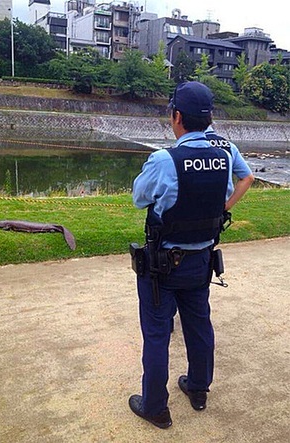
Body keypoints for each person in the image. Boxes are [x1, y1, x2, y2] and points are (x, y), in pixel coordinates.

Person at [128, 81, 251, 429]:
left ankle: (155, 406)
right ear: (208, 117)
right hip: (201, 261)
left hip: (163, 266)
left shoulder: (165, 159)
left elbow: (140, 198)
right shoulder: (226, 153)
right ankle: (198, 387)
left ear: (177, 117)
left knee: (156, 334)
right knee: (198, 327)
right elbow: (240, 183)